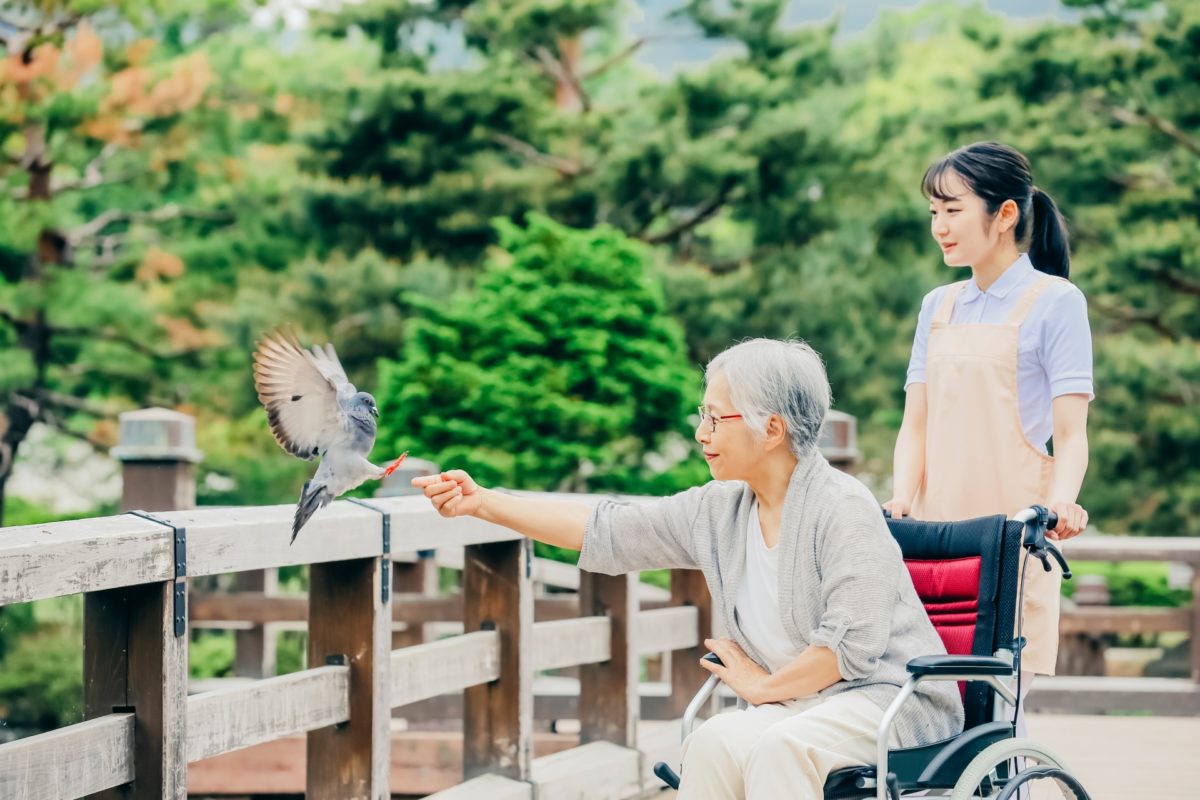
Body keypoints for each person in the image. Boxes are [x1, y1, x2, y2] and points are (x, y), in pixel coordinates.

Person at [415, 338, 963, 800]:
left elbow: (849, 650)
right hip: (801, 704)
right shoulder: (721, 509)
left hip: (887, 699)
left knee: (778, 748)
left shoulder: (842, 508)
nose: (701, 432)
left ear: (770, 429)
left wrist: (764, 686)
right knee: (713, 739)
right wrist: (484, 503)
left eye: (713, 417)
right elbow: (607, 530)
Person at [883, 141, 1093, 711]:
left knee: (1000, 706)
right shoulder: (937, 306)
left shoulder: (1055, 302)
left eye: (953, 210)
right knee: (927, 695)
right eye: (934, 212)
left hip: (1013, 531)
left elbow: (1071, 434)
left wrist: (1062, 505)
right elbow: (915, 424)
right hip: (936, 533)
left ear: (1004, 216)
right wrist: (902, 497)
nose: (939, 227)